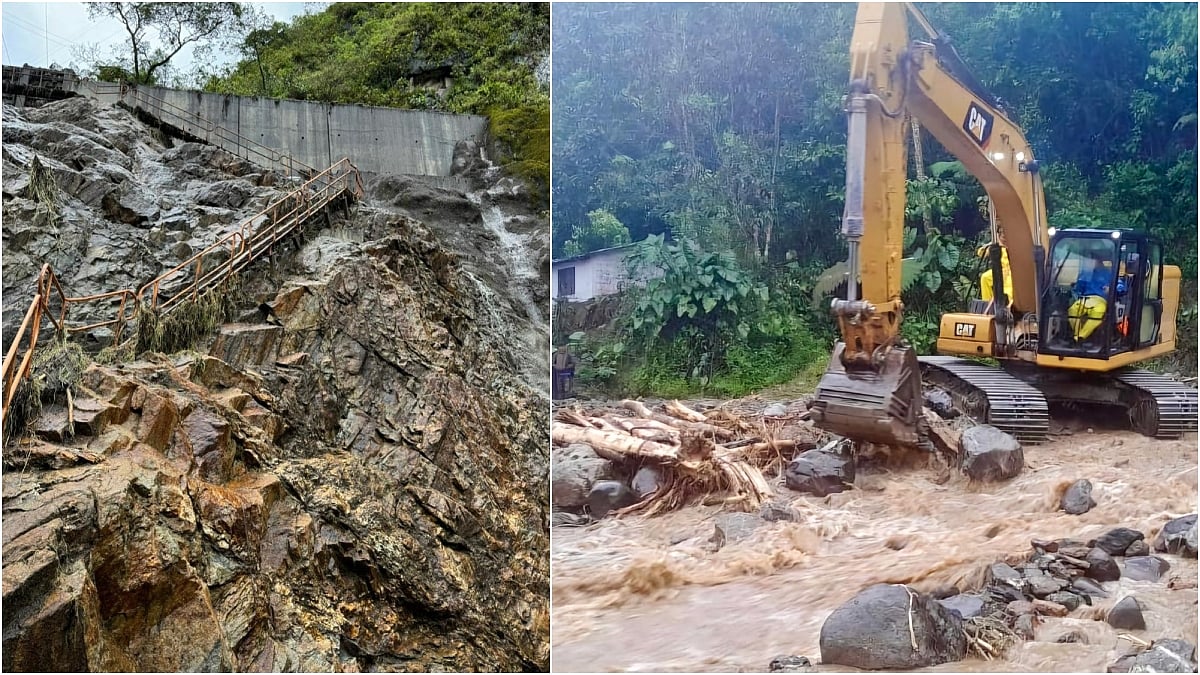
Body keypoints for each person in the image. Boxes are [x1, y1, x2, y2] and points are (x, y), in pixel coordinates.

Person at [1068, 250, 1114, 342]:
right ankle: (1077, 336)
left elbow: (1120, 285)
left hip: (1100, 300)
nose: (1089, 262)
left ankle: (1081, 337)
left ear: (1098, 261)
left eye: (1092, 260)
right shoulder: (1085, 273)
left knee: (1098, 312)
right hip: (1085, 299)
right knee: (1072, 310)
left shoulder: (1109, 274)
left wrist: (1112, 288)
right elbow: (1078, 288)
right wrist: (1075, 286)